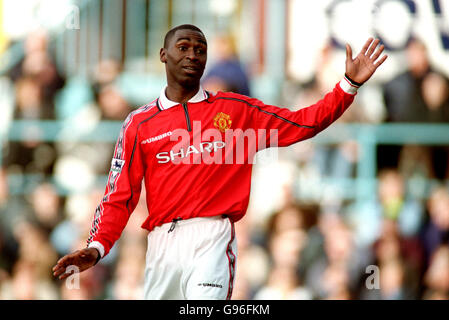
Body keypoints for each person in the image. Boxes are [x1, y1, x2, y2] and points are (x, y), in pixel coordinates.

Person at [52, 24, 387, 300]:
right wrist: (96, 247)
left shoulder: (236, 110)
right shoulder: (139, 123)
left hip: (212, 238)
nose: (192, 55)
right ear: (163, 55)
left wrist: (348, 85)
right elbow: (118, 196)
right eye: (183, 47)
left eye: (200, 50)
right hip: (160, 243)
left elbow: (304, 122)